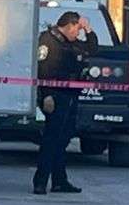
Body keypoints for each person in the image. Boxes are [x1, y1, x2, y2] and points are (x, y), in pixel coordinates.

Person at [34, 10, 98, 195]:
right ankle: (40, 182)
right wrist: (46, 95)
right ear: (69, 26)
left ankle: (59, 181)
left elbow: (92, 50)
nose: (78, 34)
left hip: (70, 96)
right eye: (77, 30)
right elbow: (43, 69)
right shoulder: (48, 40)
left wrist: (88, 29)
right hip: (54, 97)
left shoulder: (70, 43)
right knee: (51, 140)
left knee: (62, 140)